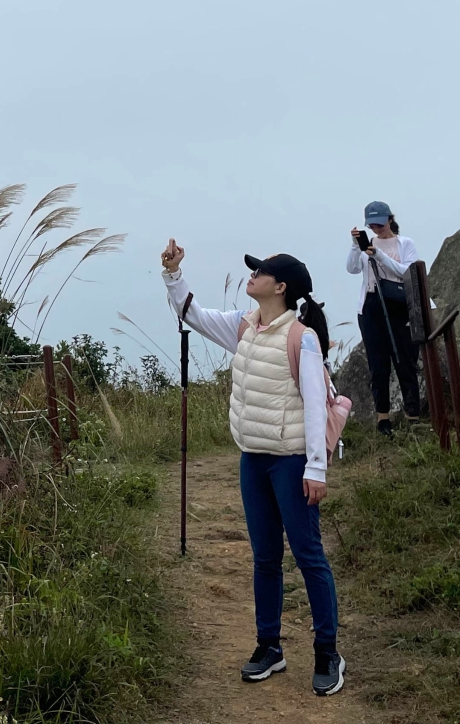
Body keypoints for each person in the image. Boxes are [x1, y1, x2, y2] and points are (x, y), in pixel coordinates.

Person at [160, 239, 345, 697]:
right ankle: (269, 646)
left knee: (308, 556)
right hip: (253, 459)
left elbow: (316, 407)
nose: (252, 275)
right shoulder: (245, 327)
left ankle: (327, 652)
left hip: (291, 462)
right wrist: (173, 275)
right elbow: (192, 314)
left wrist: (316, 469)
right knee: (264, 557)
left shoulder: (302, 339)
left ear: (280, 287)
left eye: (260, 271)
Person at [347, 200, 421, 437]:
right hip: (371, 307)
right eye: (372, 225)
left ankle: (413, 415)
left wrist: (378, 255)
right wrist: (356, 247)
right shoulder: (368, 244)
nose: (376, 229)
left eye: (380, 224)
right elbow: (352, 269)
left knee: (405, 359)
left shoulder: (405, 243)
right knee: (378, 365)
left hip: (399, 305)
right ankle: (383, 419)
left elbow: (406, 272)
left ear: (390, 219)